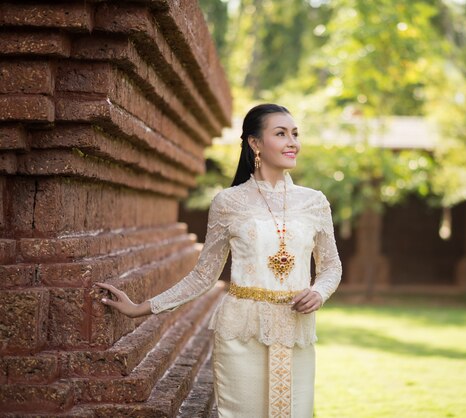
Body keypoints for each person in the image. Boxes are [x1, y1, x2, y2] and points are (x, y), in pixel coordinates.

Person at [95, 103, 342, 418]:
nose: (292, 142)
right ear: (255, 143)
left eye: (295, 134)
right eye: (281, 133)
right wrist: (141, 308)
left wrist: (319, 292)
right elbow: (203, 276)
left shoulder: (314, 202)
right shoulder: (228, 203)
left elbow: (331, 267)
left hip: (296, 331)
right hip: (241, 332)